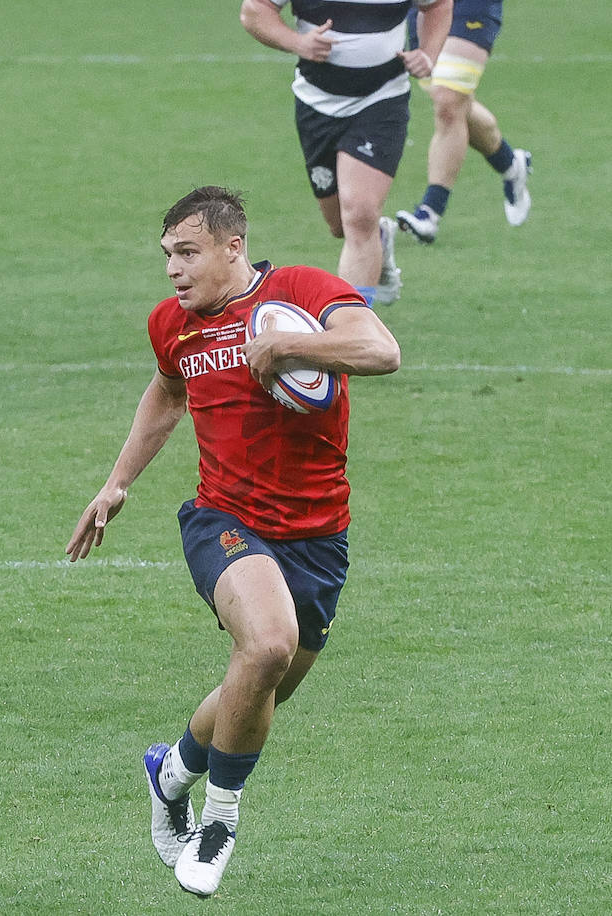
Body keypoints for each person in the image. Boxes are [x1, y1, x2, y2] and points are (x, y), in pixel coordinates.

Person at [66, 187, 399, 896]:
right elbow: (166, 392)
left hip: (317, 536)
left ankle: (171, 774)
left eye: (188, 254)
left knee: (257, 686)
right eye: (167, 257)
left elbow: (380, 350)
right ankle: (218, 824)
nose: (173, 272)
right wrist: (116, 482)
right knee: (269, 644)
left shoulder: (302, 291)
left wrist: (288, 345)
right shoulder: (173, 325)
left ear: (232, 248)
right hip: (224, 521)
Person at [239, 0, 452, 306]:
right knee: (340, 224)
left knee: (359, 214)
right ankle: (379, 238)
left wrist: (429, 53)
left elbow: (439, 5)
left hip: (382, 101)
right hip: (317, 104)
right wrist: (298, 42)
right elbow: (254, 11)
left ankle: (354, 327)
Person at [396, 1, 531, 243]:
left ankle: (430, 212)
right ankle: (511, 164)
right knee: (453, 103)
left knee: (448, 99)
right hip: (424, 5)